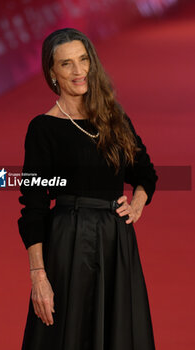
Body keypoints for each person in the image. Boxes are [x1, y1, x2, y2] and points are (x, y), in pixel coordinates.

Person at [17, 28, 158, 350]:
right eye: (66, 64)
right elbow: (34, 206)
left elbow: (145, 172)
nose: (79, 71)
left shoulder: (115, 117)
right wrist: (39, 277)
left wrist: (137, 201)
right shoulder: (43, 128)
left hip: (116, 241)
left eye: (83, 60)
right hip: (70, 241)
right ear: (52, 73)